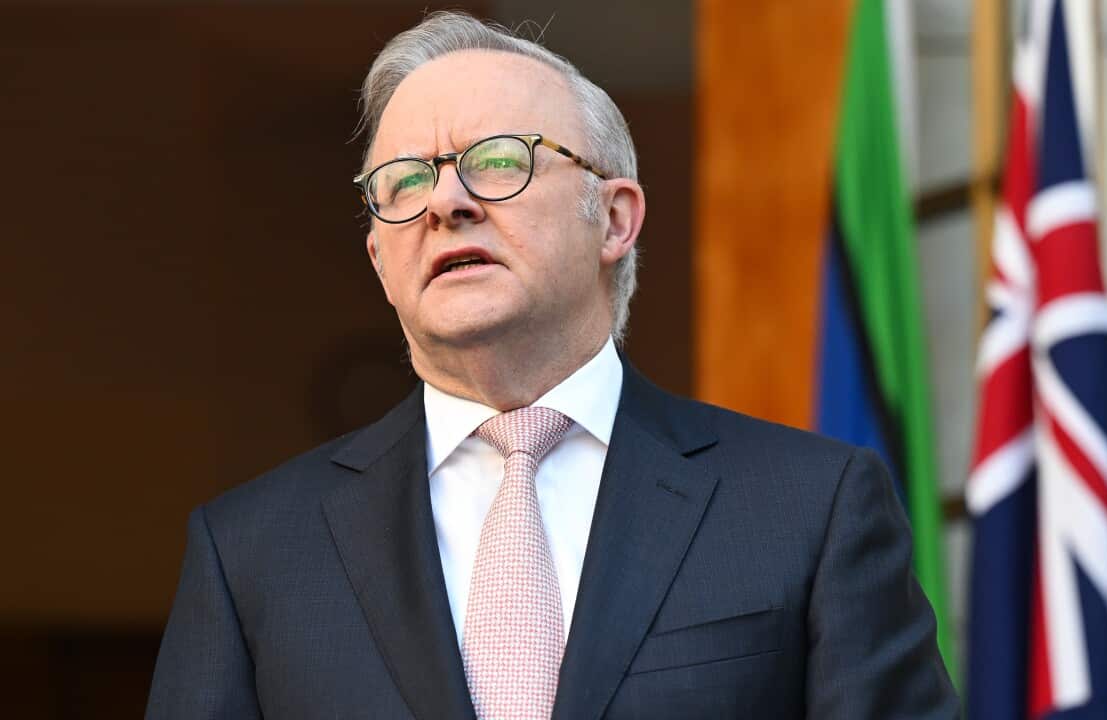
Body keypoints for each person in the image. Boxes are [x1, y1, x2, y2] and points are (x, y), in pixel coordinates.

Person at [146, 10, 959, 719]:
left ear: (613, 218)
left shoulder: (810, 508)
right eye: (405, 181)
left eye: (499, 160)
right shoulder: (251, 552)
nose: (445, 203)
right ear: (379, 261)